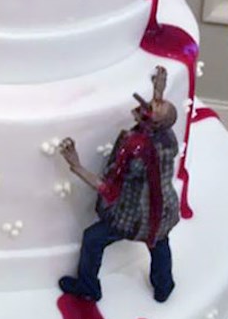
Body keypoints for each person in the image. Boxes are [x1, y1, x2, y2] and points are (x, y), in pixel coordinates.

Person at [57, 66, 180, 303]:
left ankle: (88, 286)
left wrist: (76, 165)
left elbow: (108, 188)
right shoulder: (167, 137)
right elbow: (159, 115)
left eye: (153, 106)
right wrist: (159, 90)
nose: (149, 104)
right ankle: (164, 285)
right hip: (163, 208)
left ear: (152, 123)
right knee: (160, 243)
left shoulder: (136, 152)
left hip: (135, 215)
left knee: (93, 238)